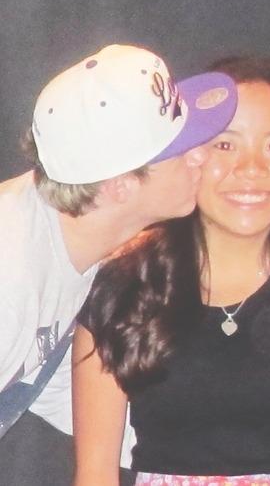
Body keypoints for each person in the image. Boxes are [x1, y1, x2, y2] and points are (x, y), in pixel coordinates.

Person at [73, 56, 270, 486]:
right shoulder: (125, 290)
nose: (251, 169)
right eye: (225, 146)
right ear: (189, 156)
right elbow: (94, 473)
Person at [0, 44, 237, 486]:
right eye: (180, 149)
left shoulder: (77, 247)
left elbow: (52, 387)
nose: (202, 156)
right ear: (119, 186)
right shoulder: (10, 278)